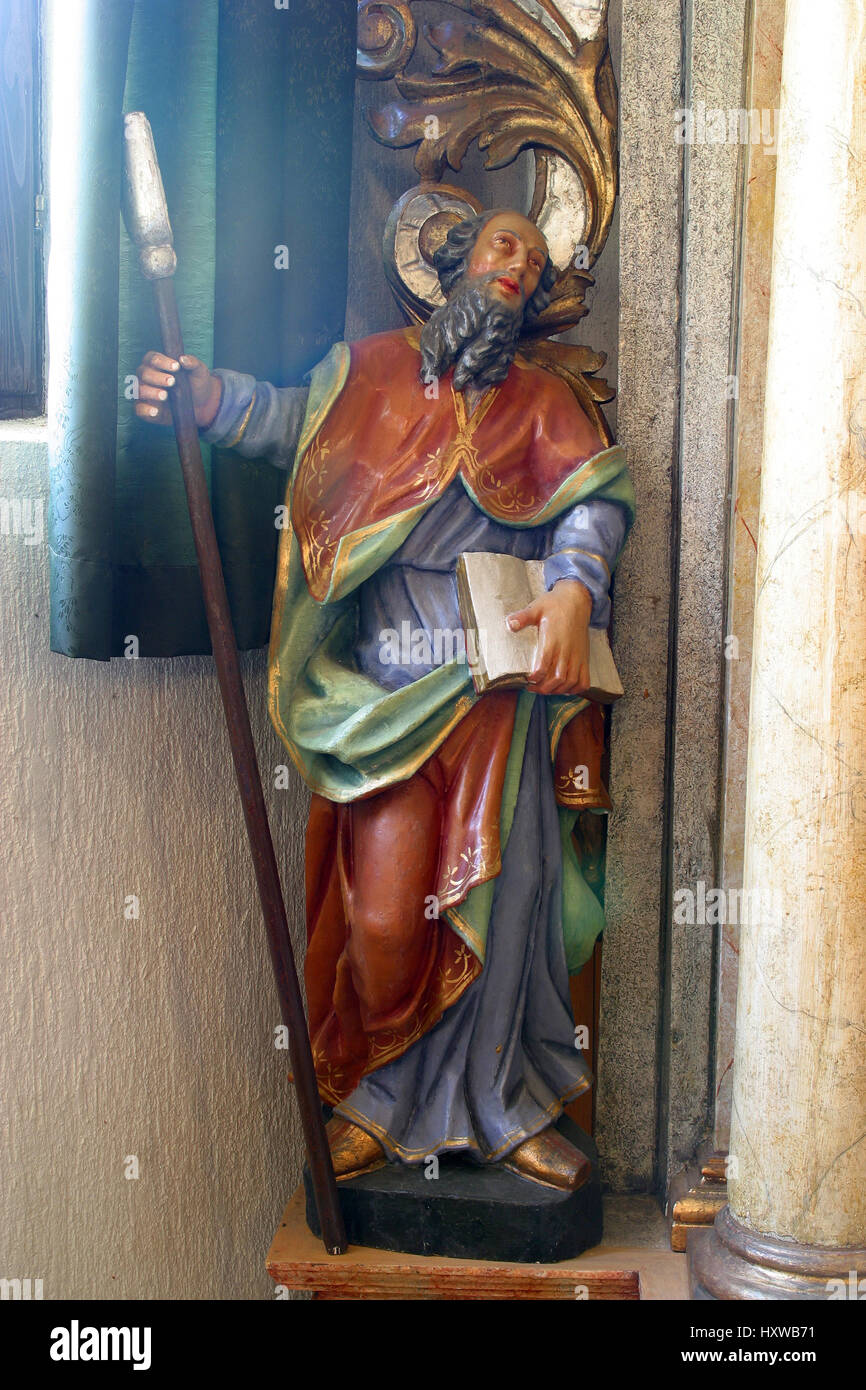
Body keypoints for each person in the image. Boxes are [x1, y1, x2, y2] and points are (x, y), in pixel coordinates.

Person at [135, 209, 634, 1190]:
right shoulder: (365, 372)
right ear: (447, 264)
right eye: (502, 246)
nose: (517, 269)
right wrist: (208, 400)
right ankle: (377, 1094)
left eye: (533, 264)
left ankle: (508, 1106)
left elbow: (594, 495)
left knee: (503, 898)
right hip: (382, 696)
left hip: (497, 685)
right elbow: (292, 423)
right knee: (384, 919)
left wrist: (574, 586)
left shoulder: (542, 399)